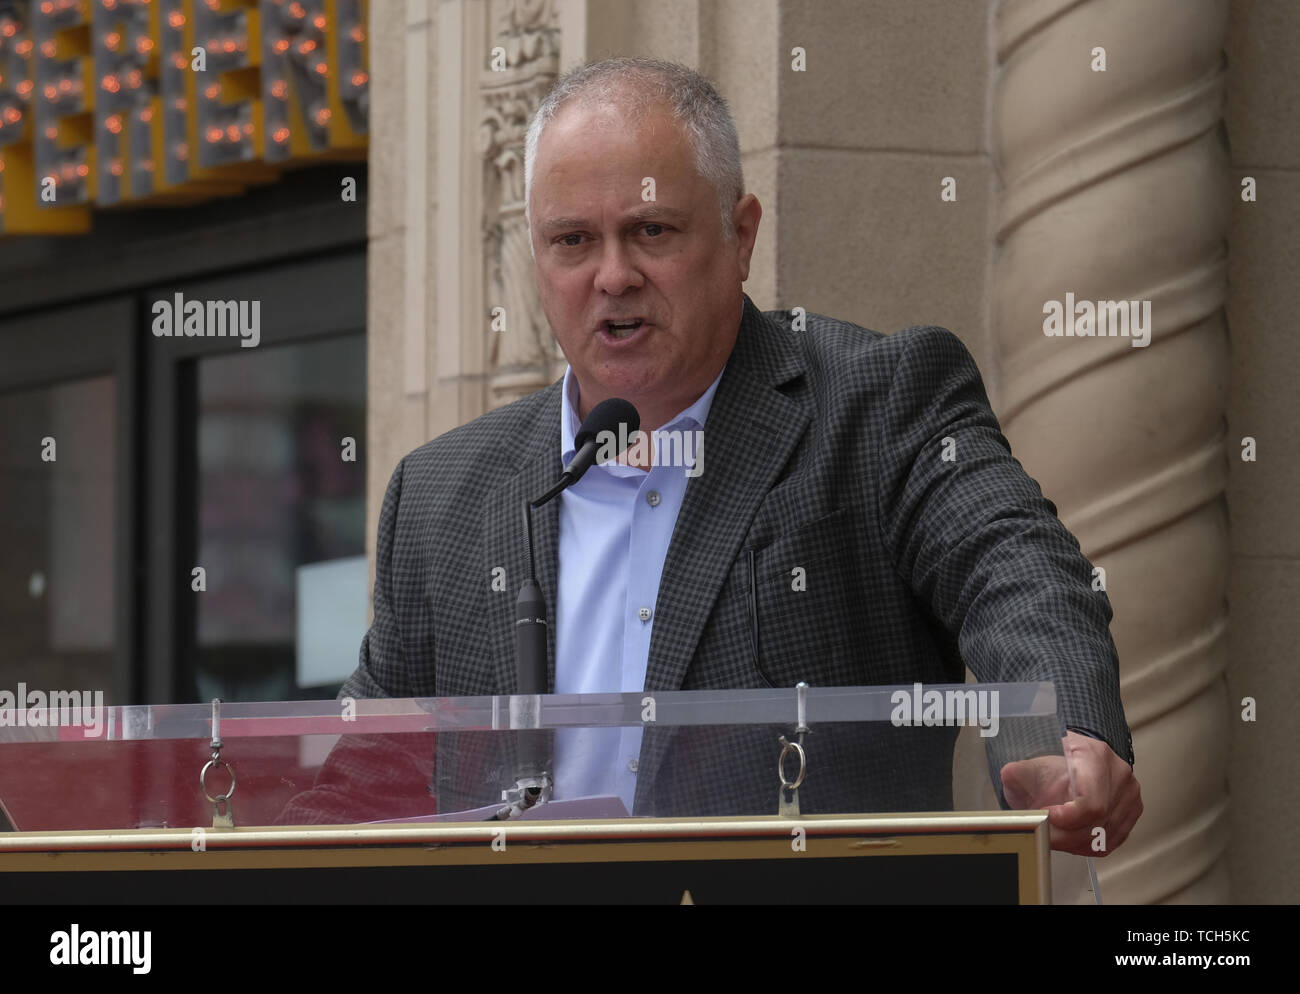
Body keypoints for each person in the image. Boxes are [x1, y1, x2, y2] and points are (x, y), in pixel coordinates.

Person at [334, 57, 1142, 855]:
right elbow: (361, 777)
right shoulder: (440, 494)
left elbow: (1016, 571)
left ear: (741, 234)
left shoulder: (877, 402)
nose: (613, 276)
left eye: (652, 231)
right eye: (572, 241)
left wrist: (1060, 733)